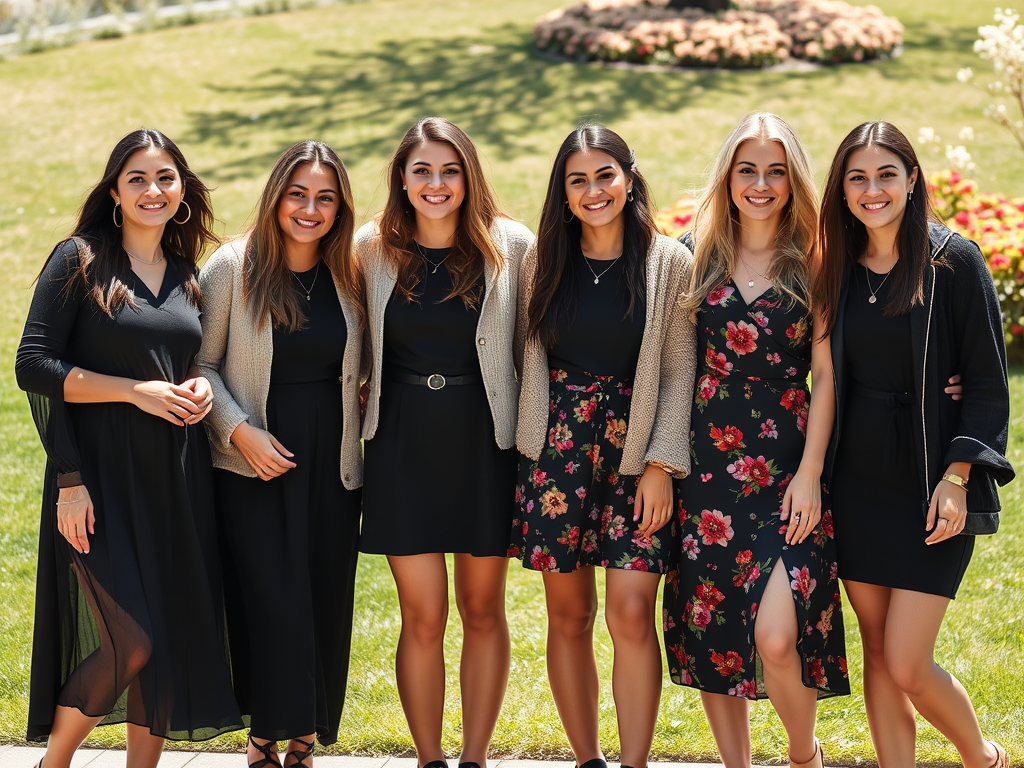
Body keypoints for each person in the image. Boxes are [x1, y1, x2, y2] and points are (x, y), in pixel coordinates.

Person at [15, 129, 243, 768]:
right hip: (97, 478)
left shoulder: (187, 274)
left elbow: (187, 359)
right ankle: (53, 763)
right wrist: (71, 475)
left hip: (177, 479)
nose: (152, 190)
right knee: (131, 642)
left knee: (165, 641)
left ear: (183, 191)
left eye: (165, 178)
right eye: (137, 178)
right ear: (114, 190)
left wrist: (196, 384)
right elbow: (34, 365)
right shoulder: (79, 259)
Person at [812, 121, 1013, 768]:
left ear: (912, 179)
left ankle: (981, 756)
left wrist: (957, 478)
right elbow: (824, 376)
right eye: (858, 178)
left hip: (931, 484)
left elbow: (986, 383)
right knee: (877, 649)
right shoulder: (836, 268)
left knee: (907, 660)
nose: (873, 190)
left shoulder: (954, 262)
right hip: (858, 486)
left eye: (886, 175)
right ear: (842, 191)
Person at [661, 113, 849, 768]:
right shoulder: (696, 255)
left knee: (776, 636)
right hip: (708, 473)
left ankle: (803, 756)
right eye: (748, 170)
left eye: (775, 170)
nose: (761, 184)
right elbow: (673, 361)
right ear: (729, 177)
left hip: (786, 468)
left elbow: (824, 374)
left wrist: (810, 473)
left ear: (792, 180)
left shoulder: (815, 261)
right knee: (715, 628)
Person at [510, 124, 694, 768]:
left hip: (636, 450)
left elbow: (678, 370)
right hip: (558, 451)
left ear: (630, 178)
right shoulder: (541, 261)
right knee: (570, 616)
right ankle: (588, 759)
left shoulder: (669, 262)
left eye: (605, 176)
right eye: (577, 180)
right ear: (562, 192)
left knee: (631, 612)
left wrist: (661, 465)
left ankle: (634, 762)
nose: (593, 191)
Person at [356, 117, 534, 768]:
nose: (436, 183)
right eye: (422, 170)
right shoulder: (369, 248)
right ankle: (429, 757)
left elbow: (532, 349)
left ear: (469, 177)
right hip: (401, 443)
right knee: (422, 615)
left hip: (485, 443)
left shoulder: (511, 246)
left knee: (483, 609)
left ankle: (475, 757)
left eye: (449, 170)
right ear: (402, 178)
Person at [196, 141, 362, 768]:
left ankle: (304, 737)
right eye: (298, 194)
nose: (310, 209)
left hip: (333, 460)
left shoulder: (349, 269)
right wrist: (241, 432)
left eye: (325, 198)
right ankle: (263, 733)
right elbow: (200, 365)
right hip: (253, 462)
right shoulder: (232, 268)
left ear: (340, 207)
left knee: (322, 595)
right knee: (268, 597)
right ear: (275, 197)